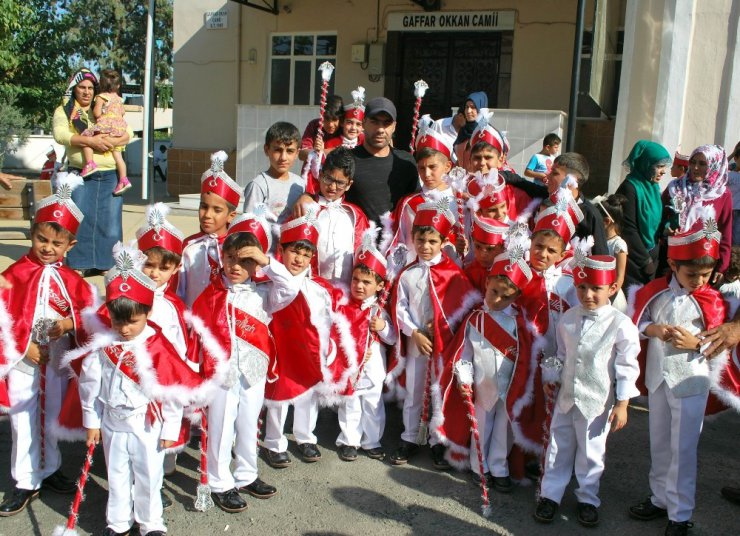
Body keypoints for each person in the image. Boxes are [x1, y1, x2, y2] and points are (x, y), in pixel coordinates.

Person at [71, 243, 204, 536]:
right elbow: (90, 386)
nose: (126, 329)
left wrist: (171, 428)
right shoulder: (103, 347)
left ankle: (150, 522)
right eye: (119, 321)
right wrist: (91, 422)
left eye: (133, 321)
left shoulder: (157, 346)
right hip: (113, 423)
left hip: (147, 424)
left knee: (148, 475)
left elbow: (169, 390)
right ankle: (118, 522)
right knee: (117, 476)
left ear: (147, 312)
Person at [188, 212, 298, 513]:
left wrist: (265, 261)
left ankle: (246, 474)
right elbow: (196, 334)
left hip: (255, 370)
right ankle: (220, 481)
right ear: (221, 258)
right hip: (222, 372)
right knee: (221, 427)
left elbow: (291, 287)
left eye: (245, 260)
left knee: (250, 424)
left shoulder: (265, 293)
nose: (236, 266)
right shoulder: (211, 294)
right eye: (231, 258)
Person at [0, 173, 95, 516]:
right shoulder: (14, 274)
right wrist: (23, 347)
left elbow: (90, 315)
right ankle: (25, 480)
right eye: (42, 239)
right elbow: (3, 317)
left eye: (56, 244)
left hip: (56, 362)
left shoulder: (72, 280)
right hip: (24, 361)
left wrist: (68, 323)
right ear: (33, 234)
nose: (47, 248)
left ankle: (51, 467)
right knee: (24, 419)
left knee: (52, 414)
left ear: (70, 245)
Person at [629, 212, 726, 536]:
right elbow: (636, 324)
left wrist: (697, 343)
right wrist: (652, 328)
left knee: (683, 448)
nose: (700, 281)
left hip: (691, 383)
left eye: (706, 274)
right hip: (658, 378)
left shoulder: (710, 300)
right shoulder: (655, 291)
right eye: (692, 274)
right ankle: (659, 498)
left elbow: (721, 345)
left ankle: (680, 514)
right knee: (659, 442)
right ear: (673, 265)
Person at [535, 254, 640, 527]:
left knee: (592, 452)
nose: (588, 294)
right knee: (558, 447)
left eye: (596, 288)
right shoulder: (568, 318)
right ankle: (550, 495)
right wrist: (552, 375)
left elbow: (627, 365)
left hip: (596, 401)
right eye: (582, 288)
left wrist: (623, 403)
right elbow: (560, 353)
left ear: (612, 288)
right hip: (566, 398)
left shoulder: (620, 324)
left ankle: (587, 498)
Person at [434, 233, 535, 493]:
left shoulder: (518, 324)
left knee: (505, 430)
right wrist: (463, 374)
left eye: (506, 296)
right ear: (487, 283)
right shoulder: (475, 320)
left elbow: (524, 357)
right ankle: (480, 467)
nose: (498, 299)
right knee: (481, 426)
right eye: (494, 292)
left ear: (516, 297)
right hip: (481, 386)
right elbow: (463, 353)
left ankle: (499, 468)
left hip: (509, 388)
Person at [387, 202, 480, 469]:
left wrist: (443, 325)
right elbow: (399, 307)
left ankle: (438, 441)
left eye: (432, 240)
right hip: (418, 344)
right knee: (415, 392)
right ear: (413, 239)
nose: (425, 246)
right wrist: (414, 332)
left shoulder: (453, 273)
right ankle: (410, 437)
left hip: (445, 346)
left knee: (439, 392)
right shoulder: (407, 275)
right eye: (420, 240)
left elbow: (465, 308)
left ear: (442, 242)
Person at [263, 210, 344, 467]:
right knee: (279, 396)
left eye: (306, 254)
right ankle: (274, 442)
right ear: (282, 250)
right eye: (294, 251)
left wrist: (327, 348)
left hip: (309, 350)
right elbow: (285, 292)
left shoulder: (320, 288)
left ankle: (305, 436)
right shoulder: (271, 283)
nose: (299, 258)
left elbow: (327, 320)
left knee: (308, 394)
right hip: (282, 350)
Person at [52, 68, 131, 275]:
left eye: (90, 88)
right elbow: (60, 134)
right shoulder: (65, 110)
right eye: (82, 87)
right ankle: (80, 263)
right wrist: (89, 140)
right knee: (80, 218)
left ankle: (107, 264)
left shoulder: (105, 104)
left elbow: (127, 132)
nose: (87, 92)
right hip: (80, 173)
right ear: (73, 89)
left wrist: (108, 141)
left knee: (110, 221)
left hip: (110, 173)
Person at [331, 229, 396, 462]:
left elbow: (392, 339)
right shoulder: (344, 308)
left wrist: (382, 327)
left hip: (374, 366)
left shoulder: (379, 311)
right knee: (349, 403)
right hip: (351, 366)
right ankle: (349, 440)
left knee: (372, 404)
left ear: (379, 286)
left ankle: (372, 441)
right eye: (356, 280)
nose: (359, 285)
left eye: (367, 282)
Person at [383, 119, 458, 268]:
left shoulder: (459, 201)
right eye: (422, 168)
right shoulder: (409, 204)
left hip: (450, 276)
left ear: (448, 166)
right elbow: (400, 242)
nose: (427, 174)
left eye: (432, 167)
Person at [506, 152, 609, 255]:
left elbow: (600, 258)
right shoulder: (545, 195)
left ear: (573, 179)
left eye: (554, 173)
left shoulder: (590, 214)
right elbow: (519, 181)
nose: (547, 177)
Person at [177, 151, 240, 307]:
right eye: (203, 207)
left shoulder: (238, 248)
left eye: (217, 210)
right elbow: (179, 291)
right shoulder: (188, 247)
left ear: (231, 215)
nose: (207, 215)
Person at [662, 144, 733, 279]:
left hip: (702, 265)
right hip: (672, 258)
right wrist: (667, 229)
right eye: (693, 162)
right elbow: (661, 218)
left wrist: (722, 267)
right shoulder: (675, 187)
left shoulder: (722, 194)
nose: (695, 168)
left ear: (714, 166)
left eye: (702, 164)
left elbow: (725, 232)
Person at [304, 147, 369, 289]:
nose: (332, 187)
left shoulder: (355, 215)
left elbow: (366, 254)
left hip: (347, 293)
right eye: (328, 178)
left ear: (348, 185)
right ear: (320, 175)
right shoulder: (306, 209)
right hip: (311, 289)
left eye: (340, 183)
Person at [614, 140, 671, 287]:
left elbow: (656, 221)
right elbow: (628, 229)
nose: (663, 171)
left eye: (664, 166)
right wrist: (645, 261)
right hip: (634, 261)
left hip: (651, 257)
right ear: (645, 164)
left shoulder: (653, 188)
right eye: (659, 166)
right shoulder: (630, 188)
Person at [243, 122, 305, 240]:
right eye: (278, 150)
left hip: (290, 255)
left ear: (297, 153)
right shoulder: (258, 185)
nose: (283, 157)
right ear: (267, 150)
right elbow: (249, 226)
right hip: (265, 254)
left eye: (290, 151)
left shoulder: (300, 184)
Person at [80, 69, 131, 196]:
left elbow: (97, 113)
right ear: (118, 85)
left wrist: (102, 114)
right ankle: (124, 179)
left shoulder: (101, 97)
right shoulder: (119, 99)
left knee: (86, 138)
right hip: (119, 128)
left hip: (106, 125)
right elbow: (123, 113)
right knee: (118, 156)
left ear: (101, 84)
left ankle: (90, 163)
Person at [594, 193, 629, 312]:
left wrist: (608, 295)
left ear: (606, 221)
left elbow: (619, 276)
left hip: (611, 297)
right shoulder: (596, 240)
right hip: (596, 291)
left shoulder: (618, 245)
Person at [463, 214, 507, 294]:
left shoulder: (507, 274)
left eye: (490, 249)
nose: (483, 255)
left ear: (502, 248)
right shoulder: (469, 272)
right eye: (478, 247)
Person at [298, 95, 343, 162]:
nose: (330, 124)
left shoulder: (345, 128)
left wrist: (321, 152)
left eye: (335, 119)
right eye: (326, 119)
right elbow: (301, 154)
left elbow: (346, 153)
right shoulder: (314, 125)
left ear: (341, 119)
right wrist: (315, 152)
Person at [453, 91, 488, 170]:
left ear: (480, 108)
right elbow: (460, 160)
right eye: (466, 107)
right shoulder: (463, 131)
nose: (468, 111)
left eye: (473, 107)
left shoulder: (485, 133)